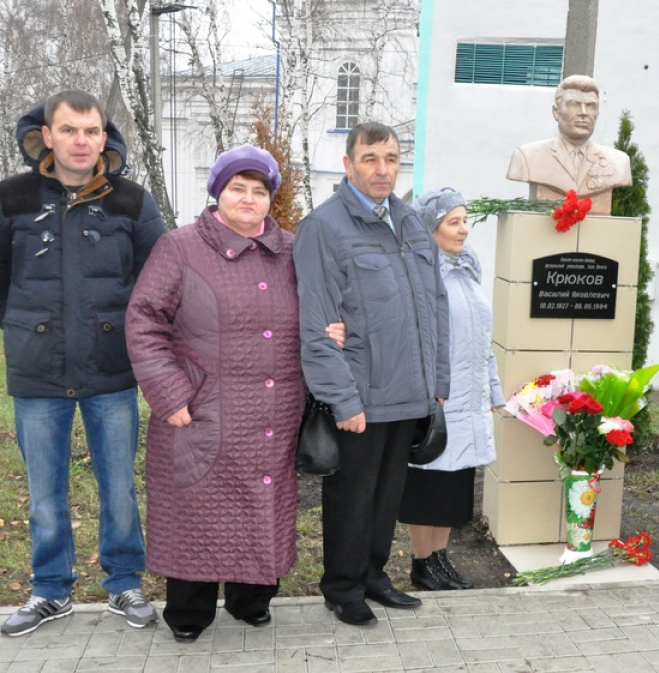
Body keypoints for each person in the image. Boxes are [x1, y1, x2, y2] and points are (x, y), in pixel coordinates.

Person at [0, 91, 166, 637]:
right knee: (45, 490)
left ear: (105, 137)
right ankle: (50, 589)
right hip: (38, 374)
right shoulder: (8, 198)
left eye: (92, 130)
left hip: (111, 371)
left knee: (119, 486)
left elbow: (156, 280)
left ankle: (125, 582)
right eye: (70, 129)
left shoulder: (132, 200)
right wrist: (26, 327)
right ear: (47, 136)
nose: (82, 140)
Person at [126, 146, 341, 642]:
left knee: (261, 507)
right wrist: (170, 393)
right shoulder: (179, 248)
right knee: (196, 511)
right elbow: (143, 322)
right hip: (202, 411)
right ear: (217, 192)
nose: (248, 199)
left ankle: (250, 601)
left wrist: (331, 332)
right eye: (237, 188)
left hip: (275, 412)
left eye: (259, 190)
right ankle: (189, 612)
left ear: (271, 198)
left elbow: (321, 308)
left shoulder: (292, 248)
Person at [294, 122, 449, 627]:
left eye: (390, 158)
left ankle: (375, 576)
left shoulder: (410, 221)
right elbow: (317, 325)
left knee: (388, 496)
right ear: (348, 164)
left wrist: (437, 386)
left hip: (410, 391)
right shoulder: (324, 227)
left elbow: (436, 307)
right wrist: (343, 399)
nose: (382, 169)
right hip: (361, 392)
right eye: (370, 159)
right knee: (352, 498)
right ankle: (342, 587)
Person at [398, 187, 504, 591]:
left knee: (452, 489)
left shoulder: (467, 266)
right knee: (426, 487)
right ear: (431, 227)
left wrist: (492, 392)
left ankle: (440, 559)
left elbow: (482, 339)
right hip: (436, 402)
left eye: (465, 220)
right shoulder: (421, 273)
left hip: (469, 400)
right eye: (453, 222)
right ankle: (422, 563)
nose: (463, 230)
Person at [506, 74, 631, 215]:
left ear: (597, 113)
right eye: (574, 104)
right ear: (556, 112)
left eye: (590, 106)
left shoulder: (619, 162)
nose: (583, 113)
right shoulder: (527, 157)